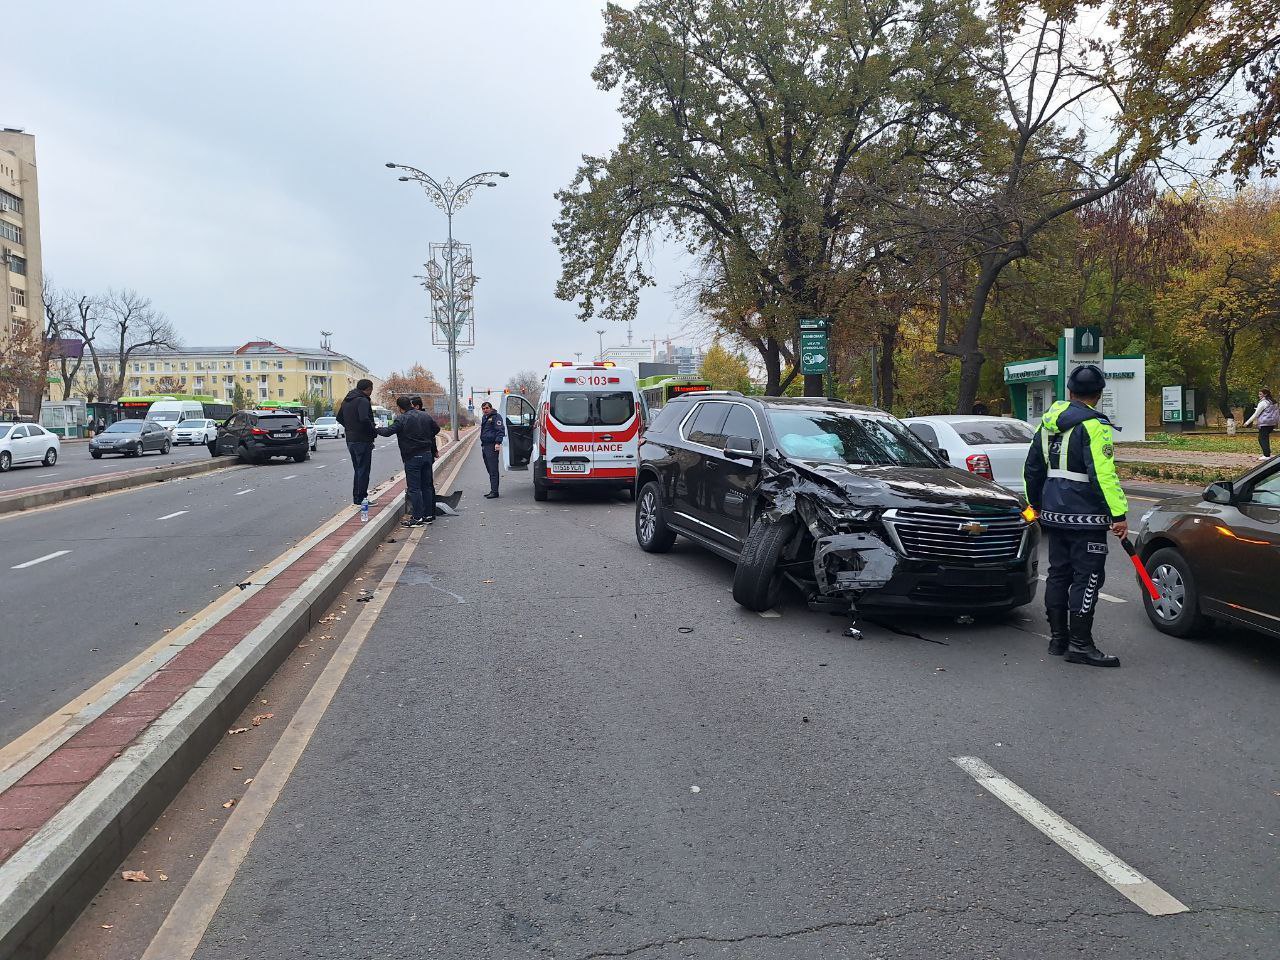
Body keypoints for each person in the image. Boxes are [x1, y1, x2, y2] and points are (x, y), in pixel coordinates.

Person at [1023, 364, 1127, 668]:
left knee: (1058, 574)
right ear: (1099, 394)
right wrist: (1118, 514)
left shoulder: (1048, 424)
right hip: (1086, 516)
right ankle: (1081, 644)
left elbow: (1032, 467)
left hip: (1054, 512)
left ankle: (1059, 639)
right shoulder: (1094, 426)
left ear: (1069, 391)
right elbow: (1103, 474)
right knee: (1089, 576)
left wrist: (1037, 505)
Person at [377, 395, 440, 526]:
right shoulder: (425, 416)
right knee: (427, 486)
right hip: (427, 454)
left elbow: (388, 432)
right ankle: (428, 515)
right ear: (411, 404)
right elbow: (436, 429)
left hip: (412, 456)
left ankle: (417, 518)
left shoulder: (401, 419)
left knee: (415, 488)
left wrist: (374, 428)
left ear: (400, 408)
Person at [337, 378, 377, 511]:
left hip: (350, 440)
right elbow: (364, 419)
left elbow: (339, 418)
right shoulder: (363, 400)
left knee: (358, 469)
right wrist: (372, 431)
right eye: (371, 389)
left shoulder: (347, 400)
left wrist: (350, 428)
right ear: (368, 389)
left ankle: (357, 498)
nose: (371, 392)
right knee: (364, 470)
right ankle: (362, 498)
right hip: (362, 440)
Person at [479, 400, 505, 499]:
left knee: (493, 469)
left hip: (492, 446)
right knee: (489, 469)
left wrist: (498, 443)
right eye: (483, 408)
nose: (485, 410)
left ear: (491, 408)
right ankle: (492, 490)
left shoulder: (496, 417)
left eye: (487, 408)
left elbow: (500, 430)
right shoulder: (484, 418)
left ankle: (495, 492)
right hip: (485, 446)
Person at [1243, 388, 1277, 460]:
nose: (1259, 396)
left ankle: (1266, 455)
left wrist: (1247, 423)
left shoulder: (1263, 403)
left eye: (1260, 394)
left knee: (1262, 438)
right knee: (1265, 437)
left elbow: (1256, 414)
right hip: (1272, 423)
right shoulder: (1273, 402)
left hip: (1265, 423)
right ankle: (1267, 454)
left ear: (1265, 394)